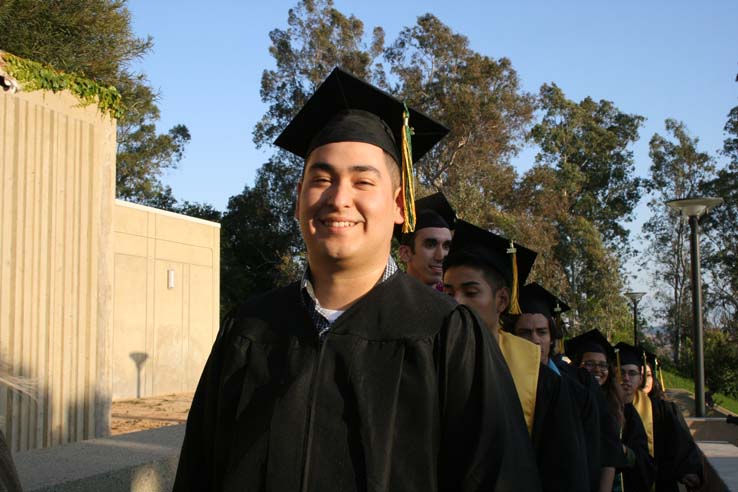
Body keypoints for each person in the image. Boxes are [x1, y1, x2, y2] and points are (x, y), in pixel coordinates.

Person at [173, 67, 539, 491]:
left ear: (401, 206)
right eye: (321, 179)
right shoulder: (248, 329)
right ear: (298, 201)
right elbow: (199, 471)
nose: (338, 198)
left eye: (363, 181)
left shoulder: (447, 335)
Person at [443, 220, 587, 492]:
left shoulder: (542, 383)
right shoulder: (427, 363)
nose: (456, 303)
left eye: (471, 292)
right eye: (448, 292)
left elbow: (563, 473)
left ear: (502, 300)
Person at [511, 283, 602, 492]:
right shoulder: (503, 381)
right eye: (524, 333)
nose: (534, 340)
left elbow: (591, 456)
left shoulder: (579, 388)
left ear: (552, 338)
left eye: (541, 332)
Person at [566, 331, 654, 492]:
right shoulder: (565, 399)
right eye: (589, 364)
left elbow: (642, 458)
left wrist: (623, 452)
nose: (597, 370)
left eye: (602, 365)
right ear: (577, 366)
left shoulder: (622, 408)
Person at [642, 350, 703, 491]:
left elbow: (682, 443)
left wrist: (689, 470)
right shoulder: (616, 409)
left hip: (661, 482)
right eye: (639, 375)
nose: (644, 380)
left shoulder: (666, 410)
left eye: (649, 375)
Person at [396, 192, 455, 289]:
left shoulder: (455, 300)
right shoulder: (386, 299)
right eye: (430, 245)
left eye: (446, 246)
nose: (440, 256)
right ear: (405, 253)